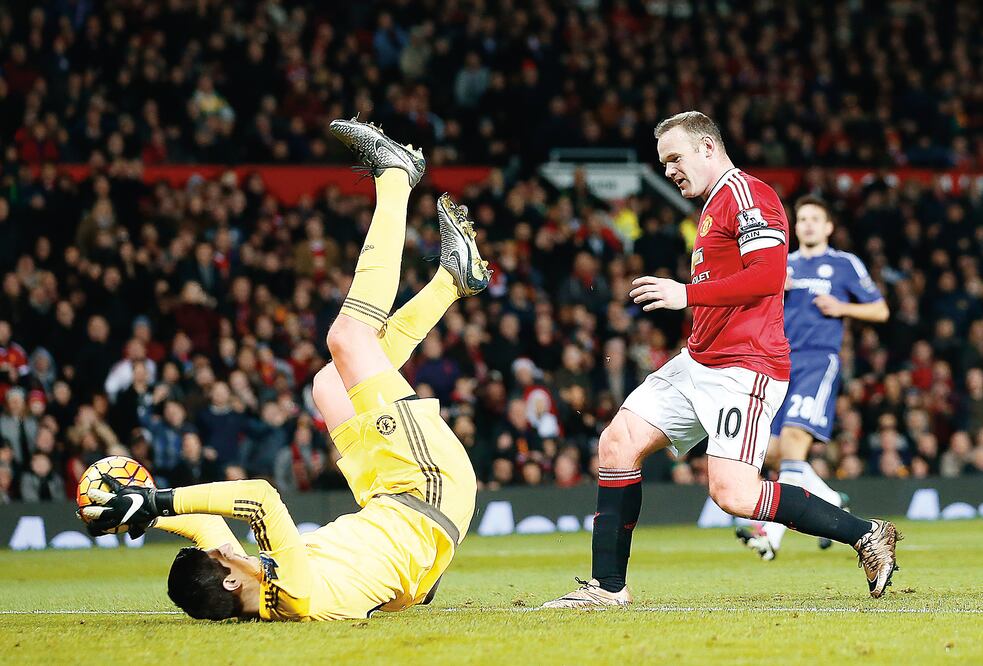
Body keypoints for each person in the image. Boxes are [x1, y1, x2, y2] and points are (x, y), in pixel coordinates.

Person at [80, 118, 492, 621]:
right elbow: (258, 498)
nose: (229, 547)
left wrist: (130, 506)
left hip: (411, 516)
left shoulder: (271, 594)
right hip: (429, 491)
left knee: (327, 383)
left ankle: (453, 279)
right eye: (224, 556)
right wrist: (159, 501)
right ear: (231, 576)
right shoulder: (291, 588)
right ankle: (395, 178)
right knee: (346, 338)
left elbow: (207, 529)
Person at [544, 111, 900, 608]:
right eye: (663, 162)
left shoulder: (748, 195)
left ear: (708, 148)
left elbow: (769, 275)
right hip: (699, 361)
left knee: (734, 494)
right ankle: (606, 588)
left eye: (674, 158)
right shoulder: (715, 204)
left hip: (745, 367)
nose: (669, 170)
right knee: (617, 442)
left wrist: (685, 294)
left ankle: (867, 534)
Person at [736, 196, 889, 560]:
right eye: (801, 218)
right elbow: (751, 309)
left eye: (814, 219)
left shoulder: (843, 264)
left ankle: (769, 535)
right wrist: (774, 291)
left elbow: (881, 310)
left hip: (818, 362)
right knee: (771, 451)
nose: (806, 225)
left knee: (792, 443)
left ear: (828, 227)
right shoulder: (781, 265)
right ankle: (832, 500)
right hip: (778, 363)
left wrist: (842, 307)